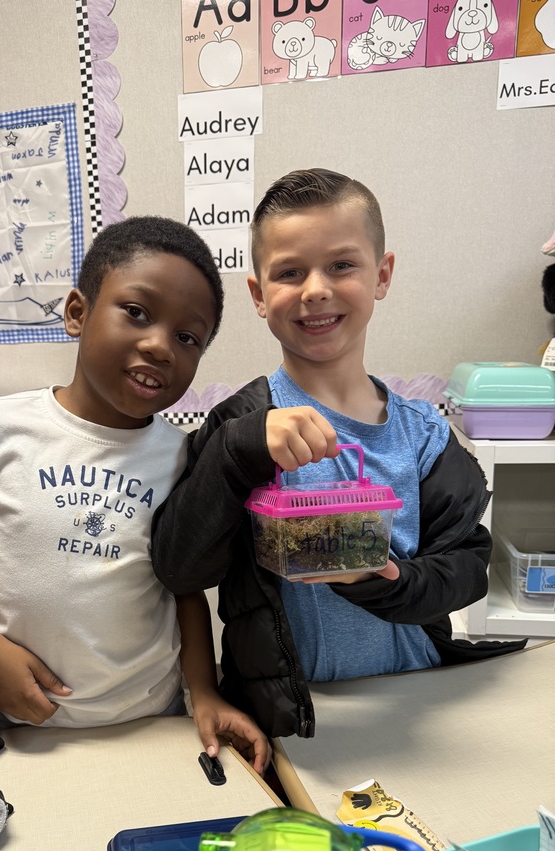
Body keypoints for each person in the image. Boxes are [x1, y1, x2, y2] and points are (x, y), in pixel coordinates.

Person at [151, 169, 525, 740]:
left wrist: (383, 576)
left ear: (383, 275)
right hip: (288, 713)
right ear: (258, 295)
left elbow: (468, 566)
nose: (316, 290)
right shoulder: (238, 426)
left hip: (411, 701)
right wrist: (242, 449)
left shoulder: (423, 434)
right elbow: (180, 565)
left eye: (342, 265)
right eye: (289, 273)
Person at [0, 216, 270, 774]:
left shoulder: (181, 457)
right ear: (78, 312)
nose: (160, 346)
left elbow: (186, 592)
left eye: (187, 337)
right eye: (137, 312)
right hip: (29, 724)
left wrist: (205, 693)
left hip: (153, 719)